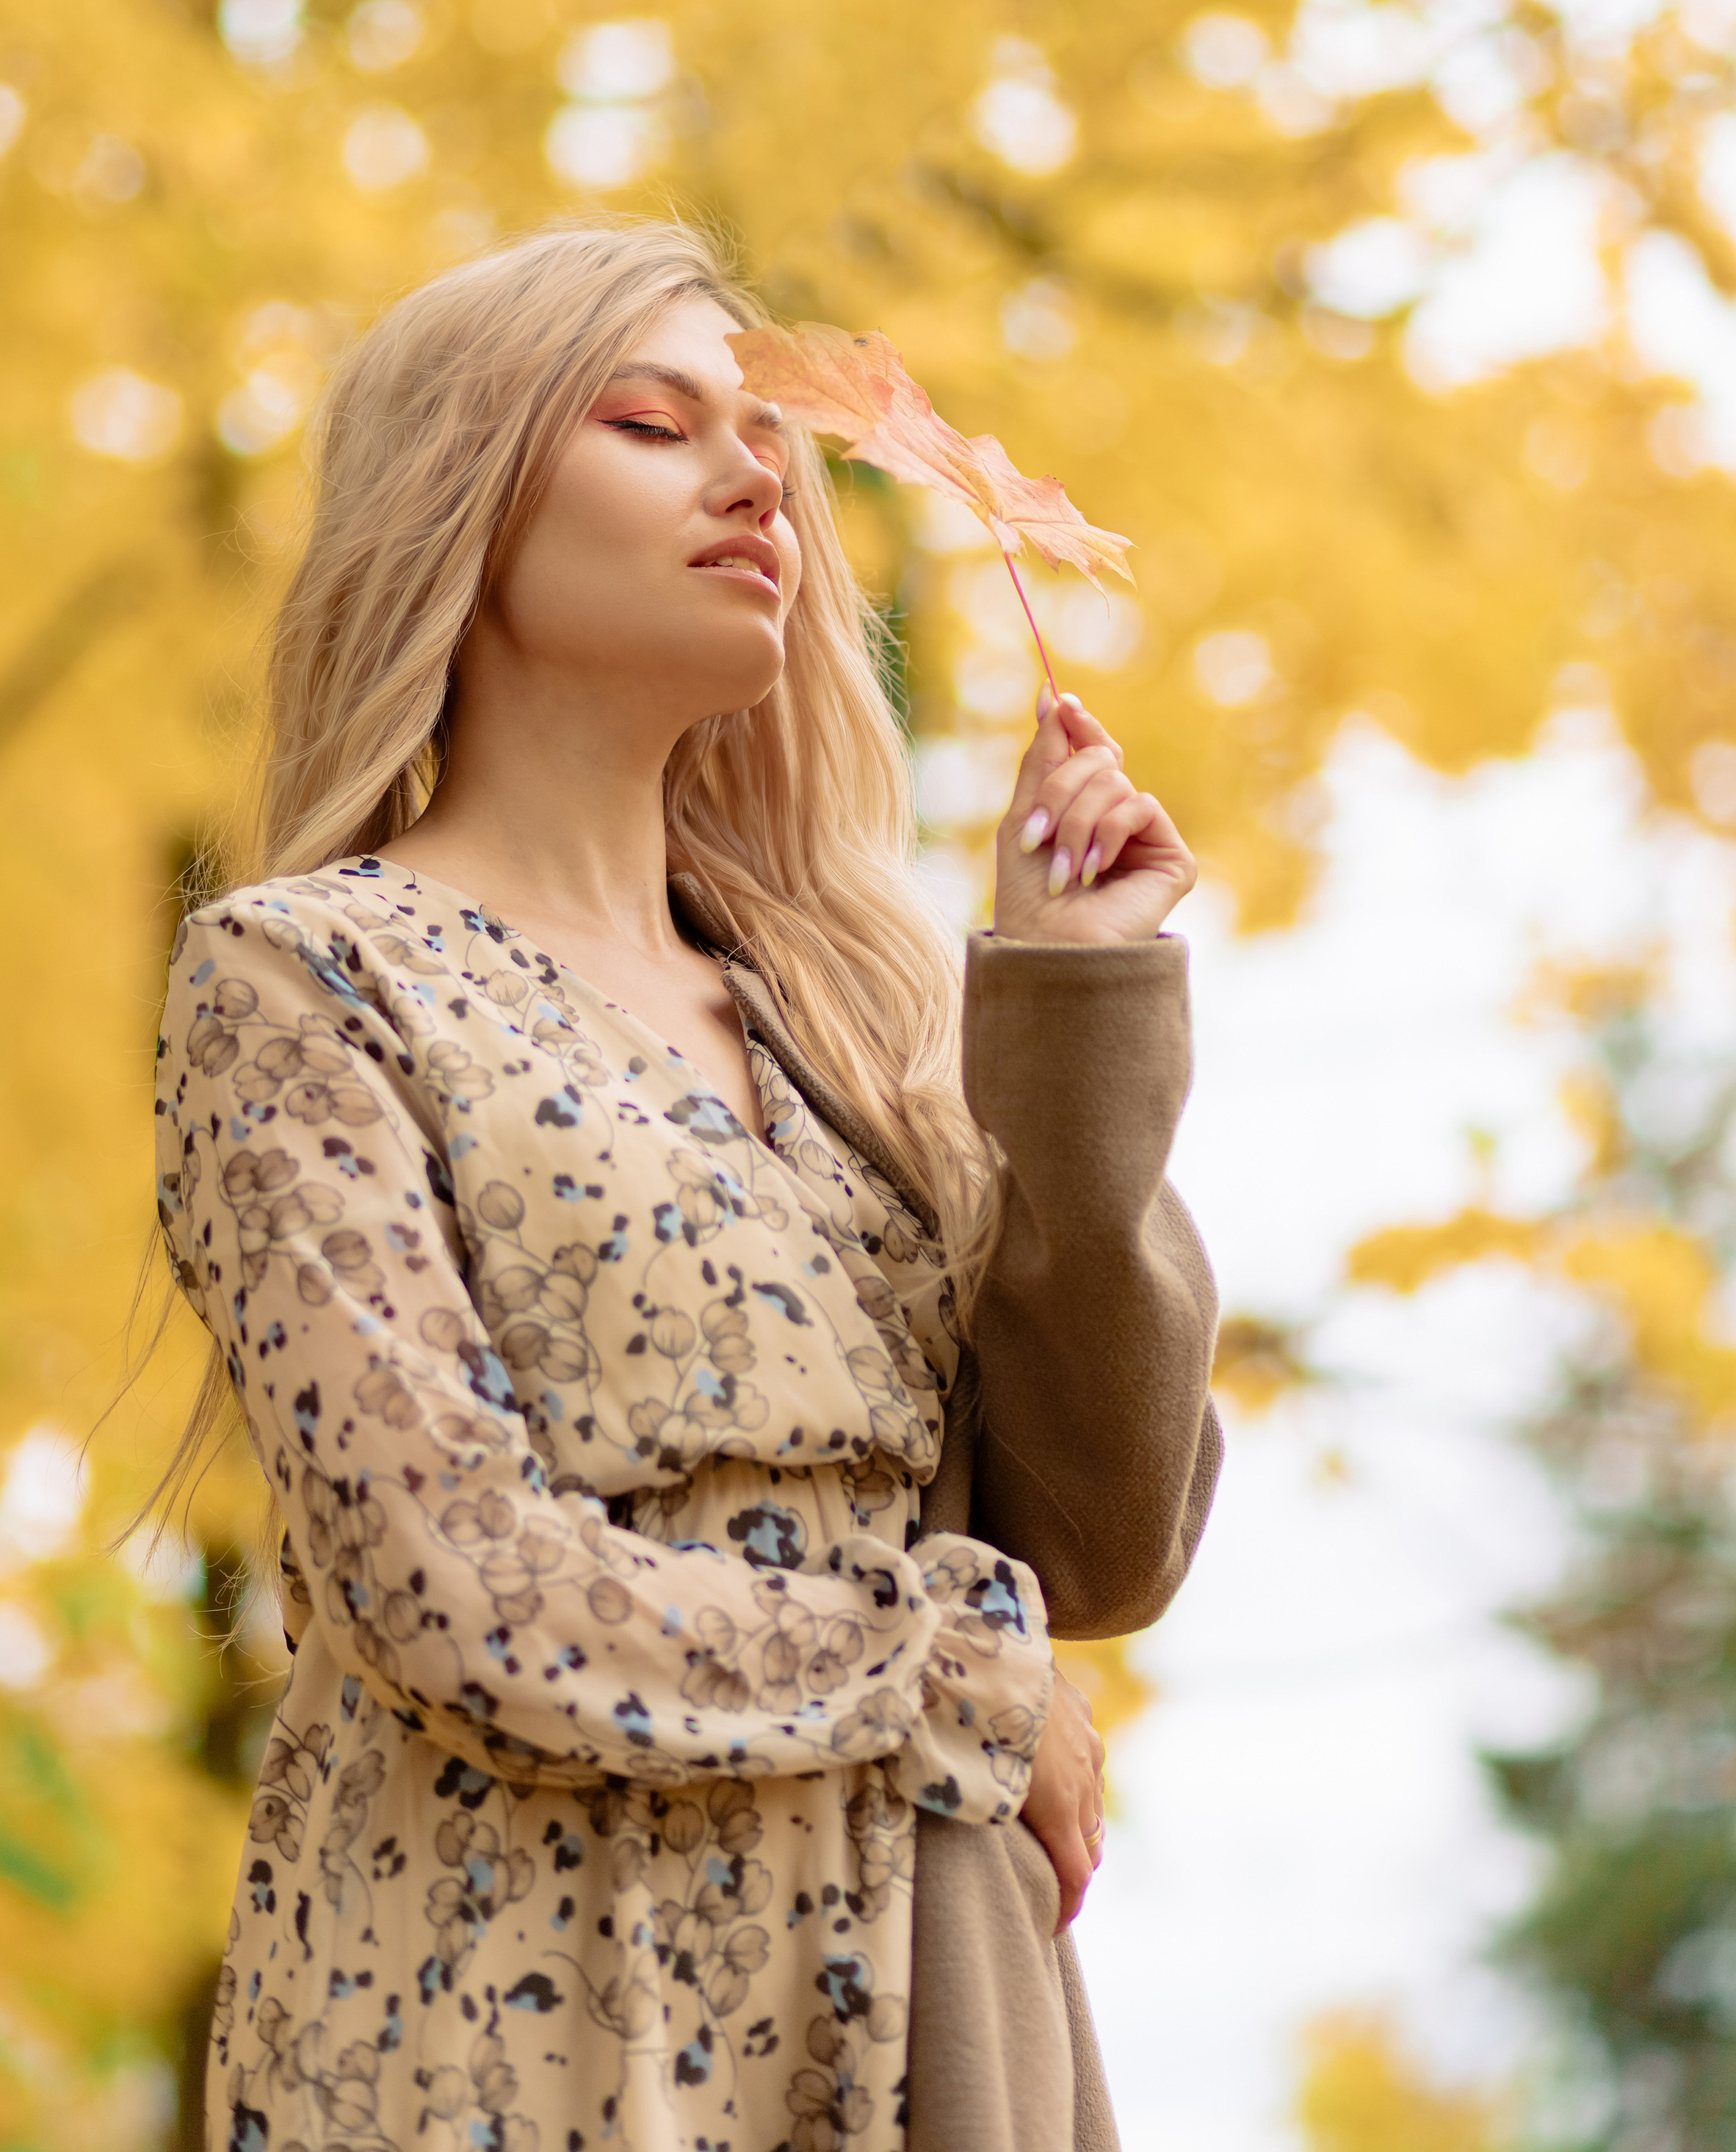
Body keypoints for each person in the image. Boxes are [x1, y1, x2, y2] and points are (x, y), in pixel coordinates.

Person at [151, 219, 1222, 2152]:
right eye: (653, 425)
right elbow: (457, 1587)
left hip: (931, 2014)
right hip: (524, 2019)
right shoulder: (305, 978)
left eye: (769, 444)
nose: (753, 478)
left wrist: (1071, 1014)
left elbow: (1108, 1540)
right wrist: (951, 1670)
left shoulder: (847, 1019)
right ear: (462, 497)